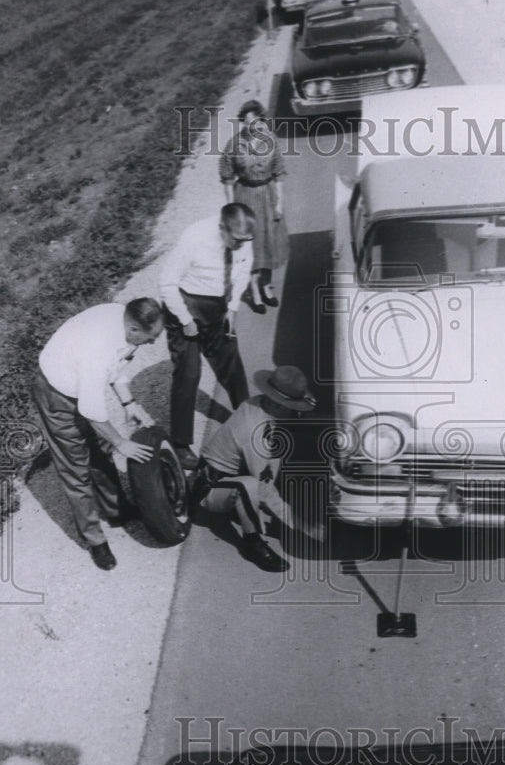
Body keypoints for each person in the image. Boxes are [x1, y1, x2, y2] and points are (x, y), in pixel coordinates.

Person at [32, 298, 163, 571]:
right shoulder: (99, 349)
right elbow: (90, 408)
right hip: (56, 393)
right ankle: (95, 540)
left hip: (82, 385)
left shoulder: (124, 321)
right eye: (151, 338)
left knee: (101, 452)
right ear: (135, 329)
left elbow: (117, 368)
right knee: (76, 470)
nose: (152, 344)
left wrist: (129, 404)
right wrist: (121, 442)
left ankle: (117, 511)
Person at [193, 365, 324, 573]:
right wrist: (299, 523)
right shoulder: (256, 434)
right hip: (211, 489)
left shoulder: (258, 403)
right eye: (294, 406)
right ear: (279, 404)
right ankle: (252, 543)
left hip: (231, 472)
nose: (297, 410)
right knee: (251, 487)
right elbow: (264, 490)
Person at [160, 203, 256, 471]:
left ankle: (249, 420)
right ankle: (180, 443)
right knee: (188, 374)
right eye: (237, 241)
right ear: (222, 228)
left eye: (246, 240)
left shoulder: (242, 238)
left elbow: (245, 269)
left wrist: (234, 307)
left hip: (218, 306)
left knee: (232, 365)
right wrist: (186, 320)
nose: (241, 246)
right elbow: (167, 283)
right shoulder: (194, 238)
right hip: (185, 303)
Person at [219, 99, 288, 314]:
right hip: (245, 197)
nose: (253, 127)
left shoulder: (272, 141)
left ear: (262, 122)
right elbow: (228, 178)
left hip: (268, 196)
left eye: (256, 122)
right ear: (243, 124)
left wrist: (280, 204)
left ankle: (266, 287)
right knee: (251, 247)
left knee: (268, 244)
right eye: (248, 123)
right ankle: (255, 292)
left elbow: (279, 174)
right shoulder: (233, 145)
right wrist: (231, 208)